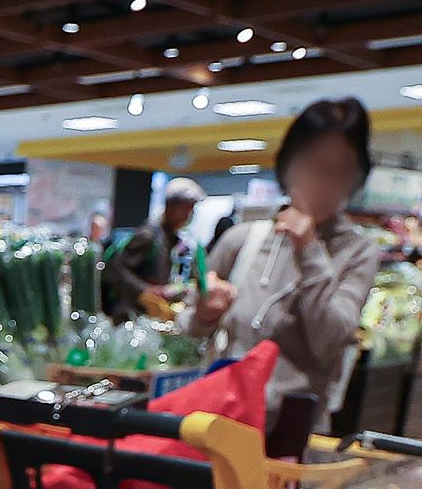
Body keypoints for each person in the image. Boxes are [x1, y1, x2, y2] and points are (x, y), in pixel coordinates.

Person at [191, 97, 378, 439]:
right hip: (219, 423)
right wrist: (204, 313)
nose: (324, 183)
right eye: (314, 166)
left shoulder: (358, 251)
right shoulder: (243, 239)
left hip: (293, 437)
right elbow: (191, 331)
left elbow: (330, 341)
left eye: (340, 171)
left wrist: (309, 249)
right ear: (288, 165)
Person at [103, 177, 204, 323]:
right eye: (187, 208)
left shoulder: (170, 237)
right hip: (130, 316)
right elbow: (116, 270)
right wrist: (146, 289)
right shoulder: (148, 235)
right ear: (172, 206)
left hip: (147, 317)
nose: (190, 214)